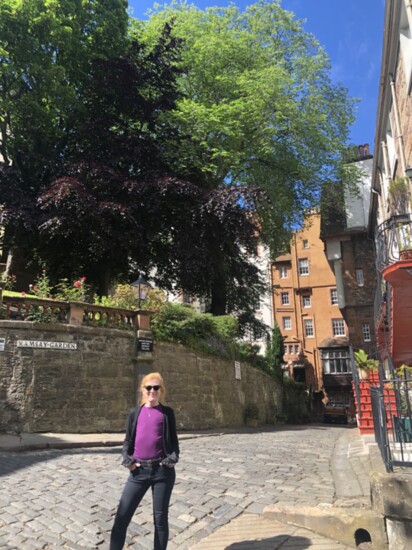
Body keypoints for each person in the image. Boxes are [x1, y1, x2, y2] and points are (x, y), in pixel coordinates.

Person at [110, 372, 179, 550]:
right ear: (143, 390)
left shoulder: (167, 413)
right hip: (138, 472)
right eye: (148, 387)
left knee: (160, 521)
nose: (152, 391)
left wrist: (172, 458)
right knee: (121, 519)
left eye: (156, 387)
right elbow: (127, 442)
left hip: (162, 473)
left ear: (161, 390)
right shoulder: (135, 413)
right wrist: (127, 460)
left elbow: (174, 444)